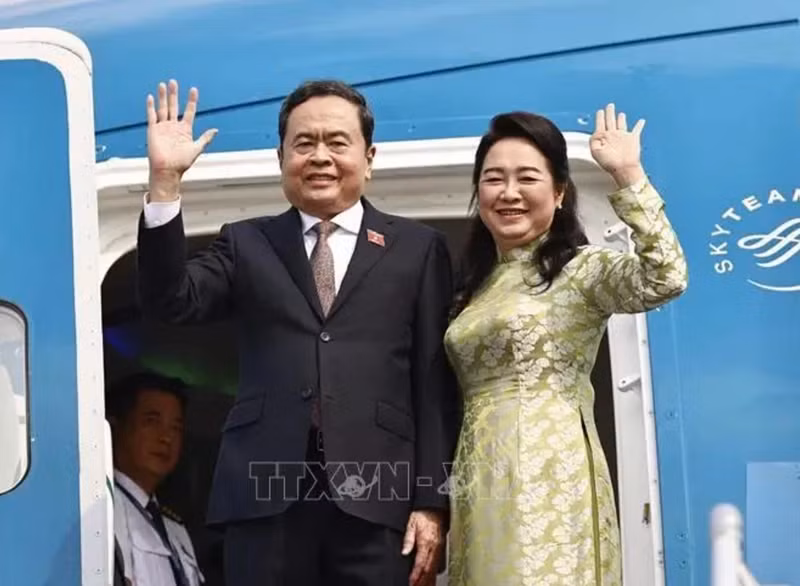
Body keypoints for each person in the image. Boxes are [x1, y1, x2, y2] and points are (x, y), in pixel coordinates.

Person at [135, 79, 459, 586]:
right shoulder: (246, 242)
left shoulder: (418, 249)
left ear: (369, 158)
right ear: (280, 157)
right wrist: (164, 184)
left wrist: (431, 501)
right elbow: (171, 300)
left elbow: (433, 385)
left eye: (337, 142)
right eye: (304, 143)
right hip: (265, 503)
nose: (320, 156)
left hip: (380, 504)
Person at [444, 104, 688, 585]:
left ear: (559, 193)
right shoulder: (474, 286)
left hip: (549, 472)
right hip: (478, 472)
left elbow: (666, 276)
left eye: (527, 178)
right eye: (493, 179)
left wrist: (628, 174)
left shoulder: (581, 270)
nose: (509, 192)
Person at [107, 372, 204, 586]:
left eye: (175, 428)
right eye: (152, 422)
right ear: (115, 428)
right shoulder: (103, 511)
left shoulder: (175, 530)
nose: (166, 438)